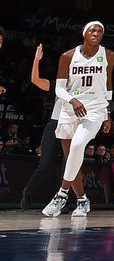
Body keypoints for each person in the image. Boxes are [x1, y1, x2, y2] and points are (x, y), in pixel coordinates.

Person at [42, 21, 114, 218]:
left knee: (77, 146)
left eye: (100, 31)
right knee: (71, 159)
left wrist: (108, 112)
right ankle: (82, 200)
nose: (97, 33)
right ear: (84, 33)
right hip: (69, 109)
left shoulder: (108, 55)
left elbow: (108, 84)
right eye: (93, 30)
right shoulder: (67, 56)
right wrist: (73, 100)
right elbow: (58, 88)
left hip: (94, 109)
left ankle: (61, 194)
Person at [20, 43, 66, 211]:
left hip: (74, 127)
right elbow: (35, 80)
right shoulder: (59, 85)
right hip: (54, 125)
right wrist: (36, 60)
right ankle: (28, 192)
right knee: (45, 165)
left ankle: (62, 200)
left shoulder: (86, 87)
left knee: (68, 167)